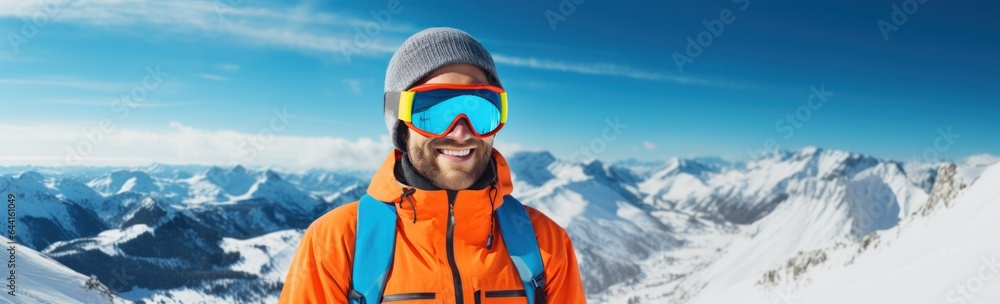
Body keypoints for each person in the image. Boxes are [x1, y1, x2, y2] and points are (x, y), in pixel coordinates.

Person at [279, 27, 586, 304]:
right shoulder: (336, 243)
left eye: (480, 110)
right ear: (401, 123)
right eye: (434, 112)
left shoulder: (545, 243)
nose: (461, 131)